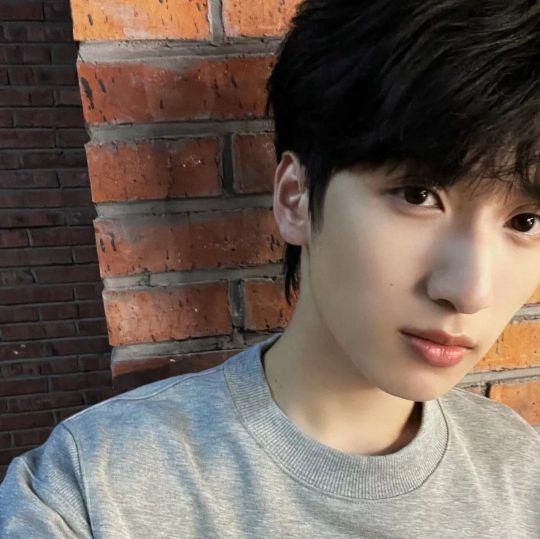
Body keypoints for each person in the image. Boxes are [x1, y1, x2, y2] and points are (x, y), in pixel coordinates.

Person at [1, 0, 540, 537]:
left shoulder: (521, 469)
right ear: (295, 198)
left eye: (525, 221)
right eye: (418, 195)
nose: (471, 291)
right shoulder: (93, 489)